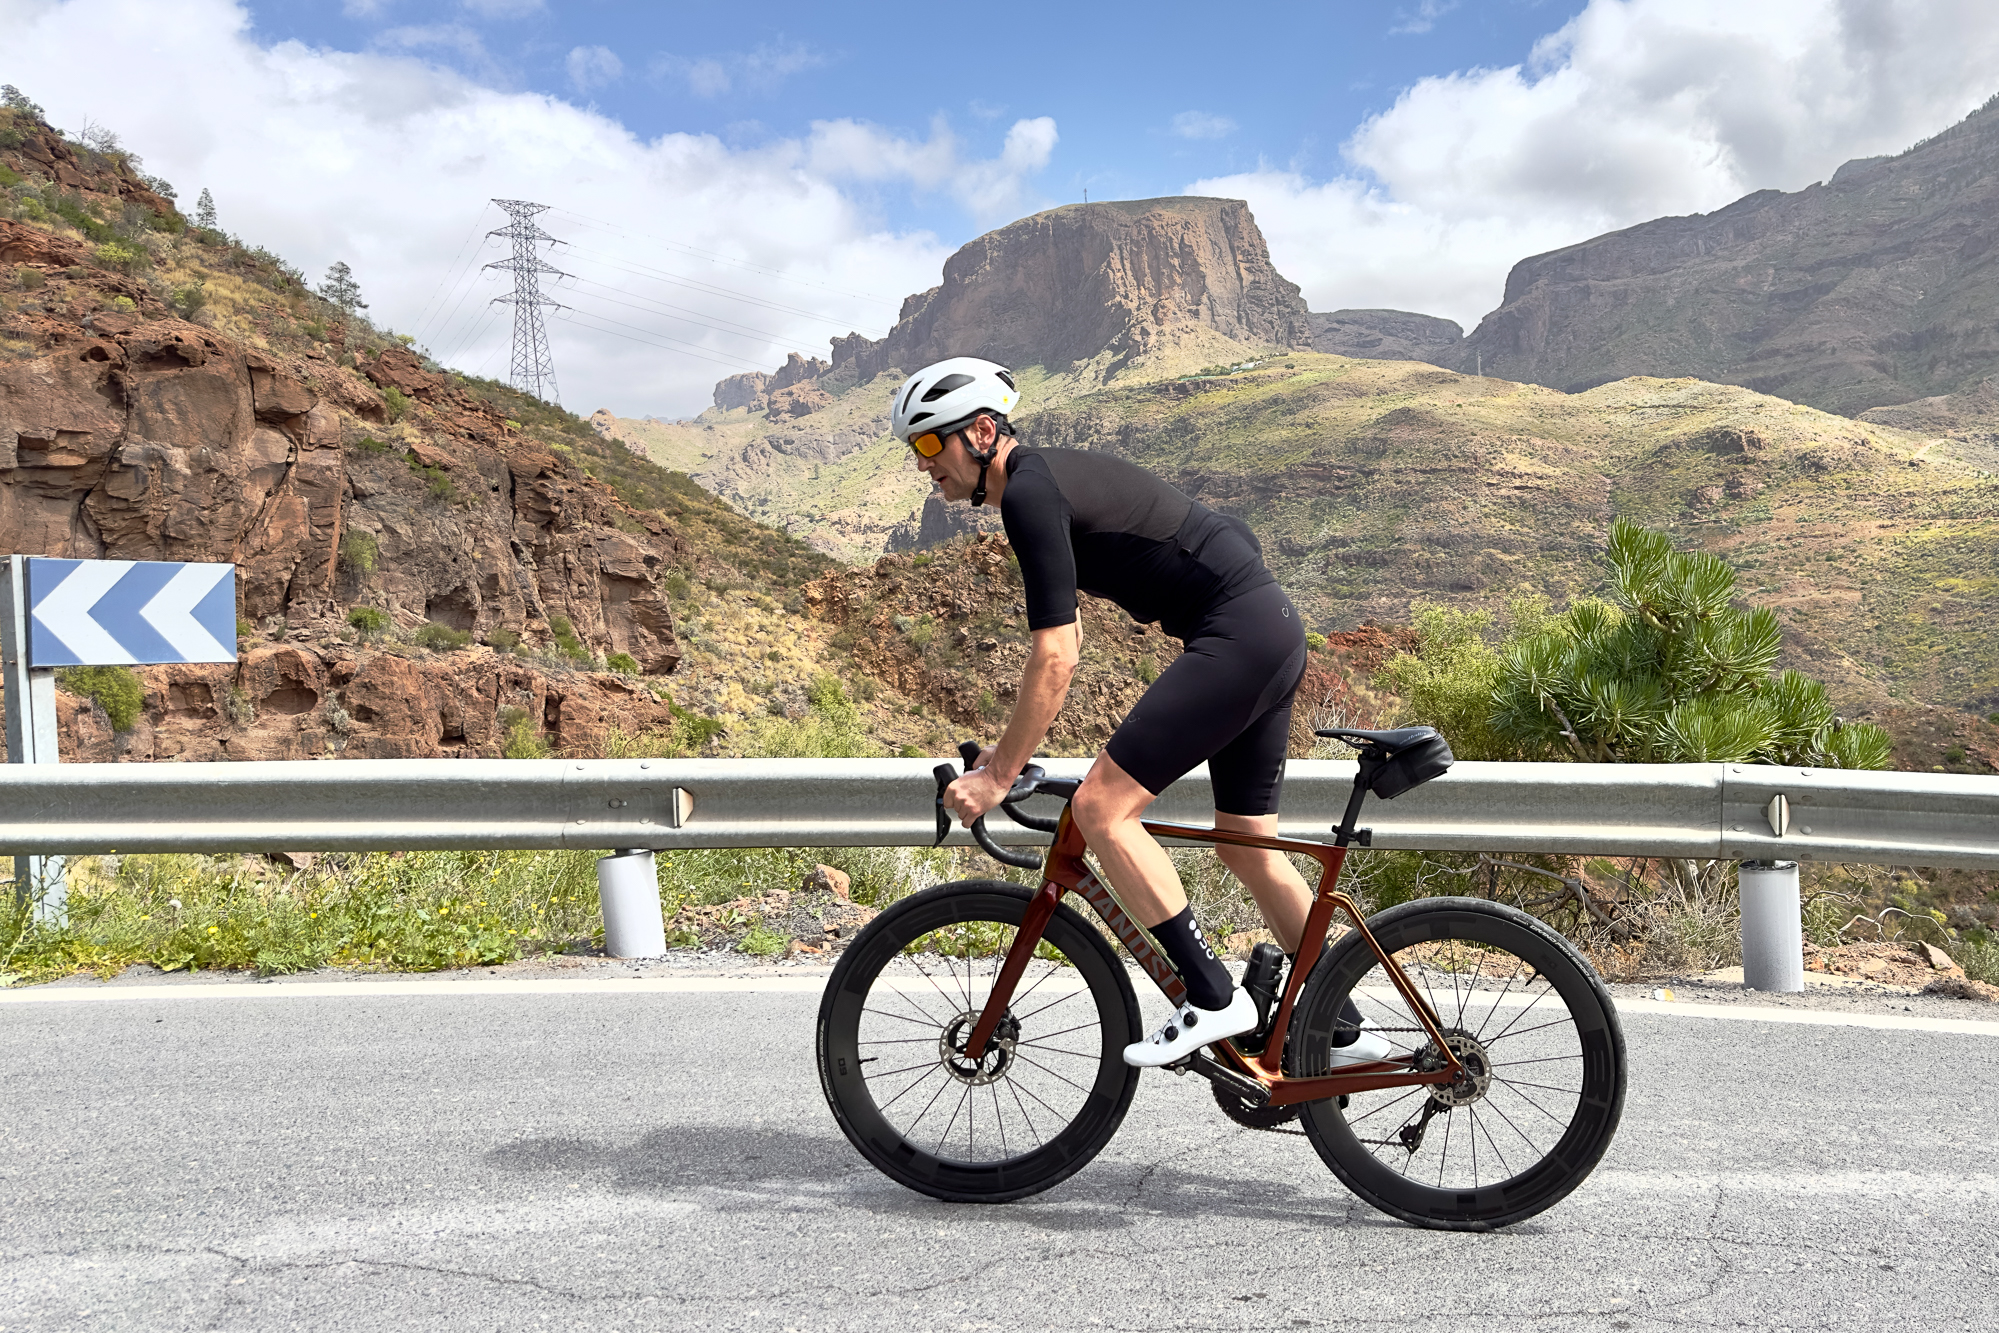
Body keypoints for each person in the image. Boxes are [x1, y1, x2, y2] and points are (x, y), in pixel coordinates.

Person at [895, 356, 1388, 1069]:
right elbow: (1216, 531)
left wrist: (998, 774)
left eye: (927, 445)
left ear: (977, 432)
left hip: (1240, 634)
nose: (923, 467)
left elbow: (1058, 655)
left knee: (1101, 810)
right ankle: (1340, 1030)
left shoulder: (1028, 493)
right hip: (1266, 626)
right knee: (1244, 843)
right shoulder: (1045, 478)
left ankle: (1212, 995)